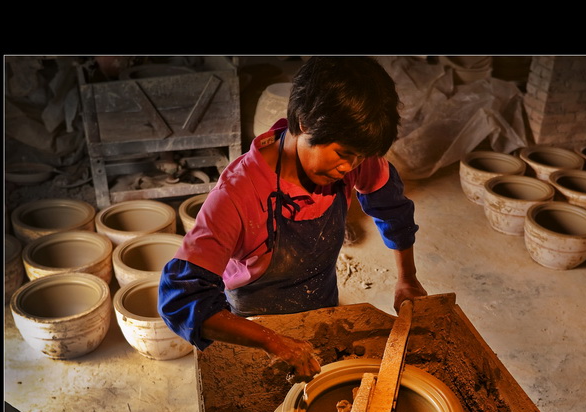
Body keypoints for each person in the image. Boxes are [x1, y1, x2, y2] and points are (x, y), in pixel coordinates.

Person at [159, 56, 427, 382]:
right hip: (254, 325)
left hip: (322, 302)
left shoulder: (354, 159)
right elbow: (179, 297)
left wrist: (407, 278)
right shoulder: (238, 193)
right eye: (343, 154)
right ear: (304, 122)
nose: (350, 167)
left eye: (360, 156)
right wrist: (274, 342)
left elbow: (392, 207)